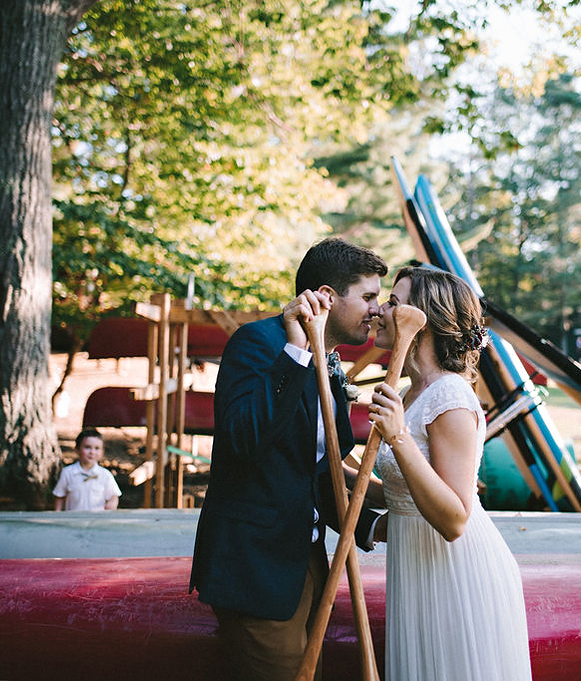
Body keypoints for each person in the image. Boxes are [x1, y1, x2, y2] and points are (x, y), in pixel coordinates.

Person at [191, 237, 386, 681]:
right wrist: (297, 353)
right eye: (369, 296)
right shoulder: (257, 343)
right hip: (256, 569)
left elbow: (316, 466)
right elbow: (245, 440)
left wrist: (372, 522)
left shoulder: (331, 360)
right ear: (328, 297)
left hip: (309, 563)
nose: (377, 309)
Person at [363, 266, 531, 681]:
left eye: (394, 303)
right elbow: (406, 492)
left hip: (455, 574)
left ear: (424, 321)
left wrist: (398, 436)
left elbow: (455, 518)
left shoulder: (451, 397)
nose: (381, 310)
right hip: (417, 568)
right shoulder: (411, 393)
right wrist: (334, 475)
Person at [53, 429, 121, 511]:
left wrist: (112, 503)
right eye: (87, 447)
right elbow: (60, 496)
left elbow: (113, 496)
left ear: (102, 452)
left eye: (97, 448)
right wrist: (57, 515)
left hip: (97, 520)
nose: (92, 452)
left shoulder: (105, 475)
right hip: (73, 520)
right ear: (77, 450)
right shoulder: (68, 473)